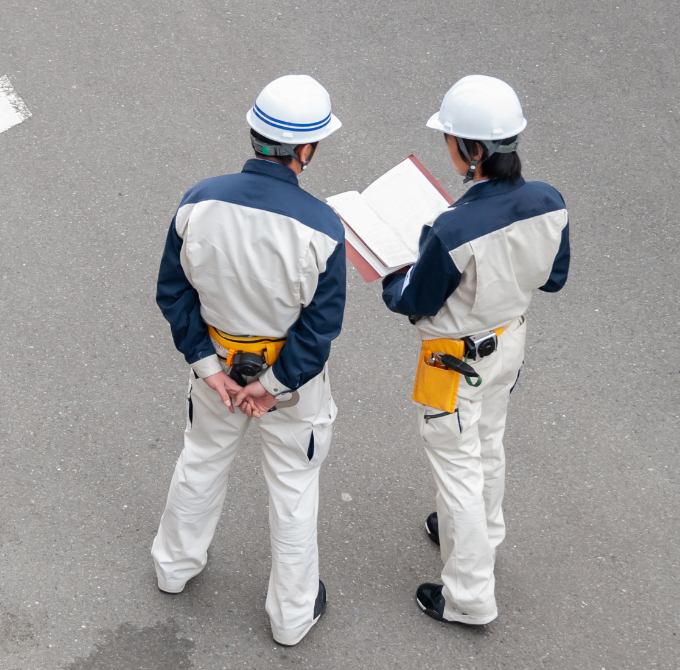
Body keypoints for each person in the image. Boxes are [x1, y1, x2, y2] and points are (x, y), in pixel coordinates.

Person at [151, 74, 346, 646]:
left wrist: (208, 368)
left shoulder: (198, 200)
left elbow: (173, 291)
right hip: (290, 378)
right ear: (306, 150)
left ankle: (173, 567)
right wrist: (275, 385)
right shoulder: (323, 227)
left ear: (255, 132)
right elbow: (321, 326)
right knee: (292, 484)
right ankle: (290, 618)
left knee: (202, 459)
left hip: (216, 361)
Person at [382, 75, 570, 626]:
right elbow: (553, 279)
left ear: (473, 150)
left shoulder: (453, 226)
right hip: (509, 341)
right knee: (488, 442)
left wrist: (396, 274)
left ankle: (468, 597)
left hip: (452, 359)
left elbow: (412, 299)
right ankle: (481, 534)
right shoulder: (549, 201)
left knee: (456, 465)